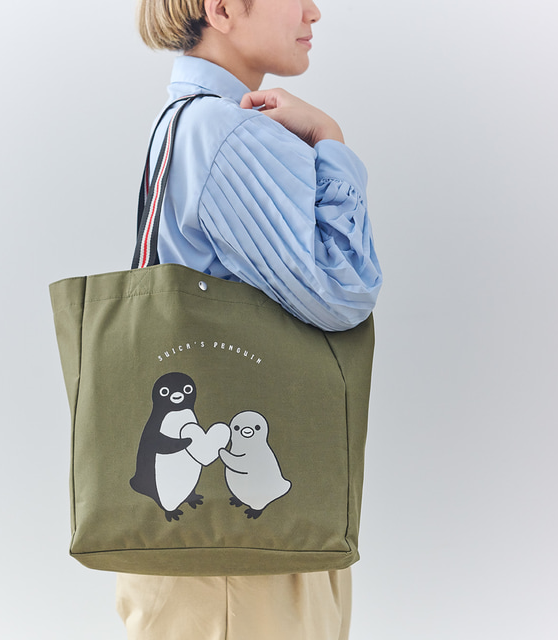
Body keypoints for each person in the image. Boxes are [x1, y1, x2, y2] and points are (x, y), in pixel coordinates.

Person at [116, 0, 382, 638]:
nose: (314, 11)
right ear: (223, 8)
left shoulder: (181, 121)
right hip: (241, 565)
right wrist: (331, 142)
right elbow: (343, 289)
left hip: (204, 549)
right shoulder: (228, 131)